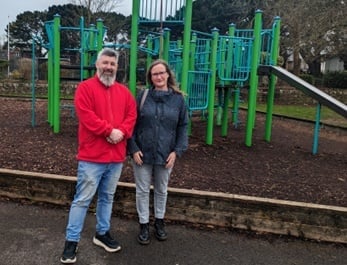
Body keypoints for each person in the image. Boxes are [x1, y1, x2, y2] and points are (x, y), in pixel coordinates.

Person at [60, 48, 137, 264]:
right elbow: (86, 116)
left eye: (112, 64)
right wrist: (109, 131)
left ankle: (102, 233)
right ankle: (71, 241)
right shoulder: (85, 88)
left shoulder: (124, 92)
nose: (109, 67)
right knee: (82, 200)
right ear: (97, 64)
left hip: (115, 157)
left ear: (116, 67)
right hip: (92, 157)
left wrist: (121, 131)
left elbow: (132, 115)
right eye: (105, 63)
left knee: (107, 197)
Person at [127, 59, 189, 245]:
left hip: (166, 154)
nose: (159, 76)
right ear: (150, 78)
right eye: (155, 74)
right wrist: (133, 148)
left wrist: (177, 151)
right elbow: (131, 122)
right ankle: (144, 224)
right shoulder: (143, 96)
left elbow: (183, 126)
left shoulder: (178, 100)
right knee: (142, 190)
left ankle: (159, 222)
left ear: (168, 74)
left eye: (162, 73)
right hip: (142, 153)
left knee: (161, 190)